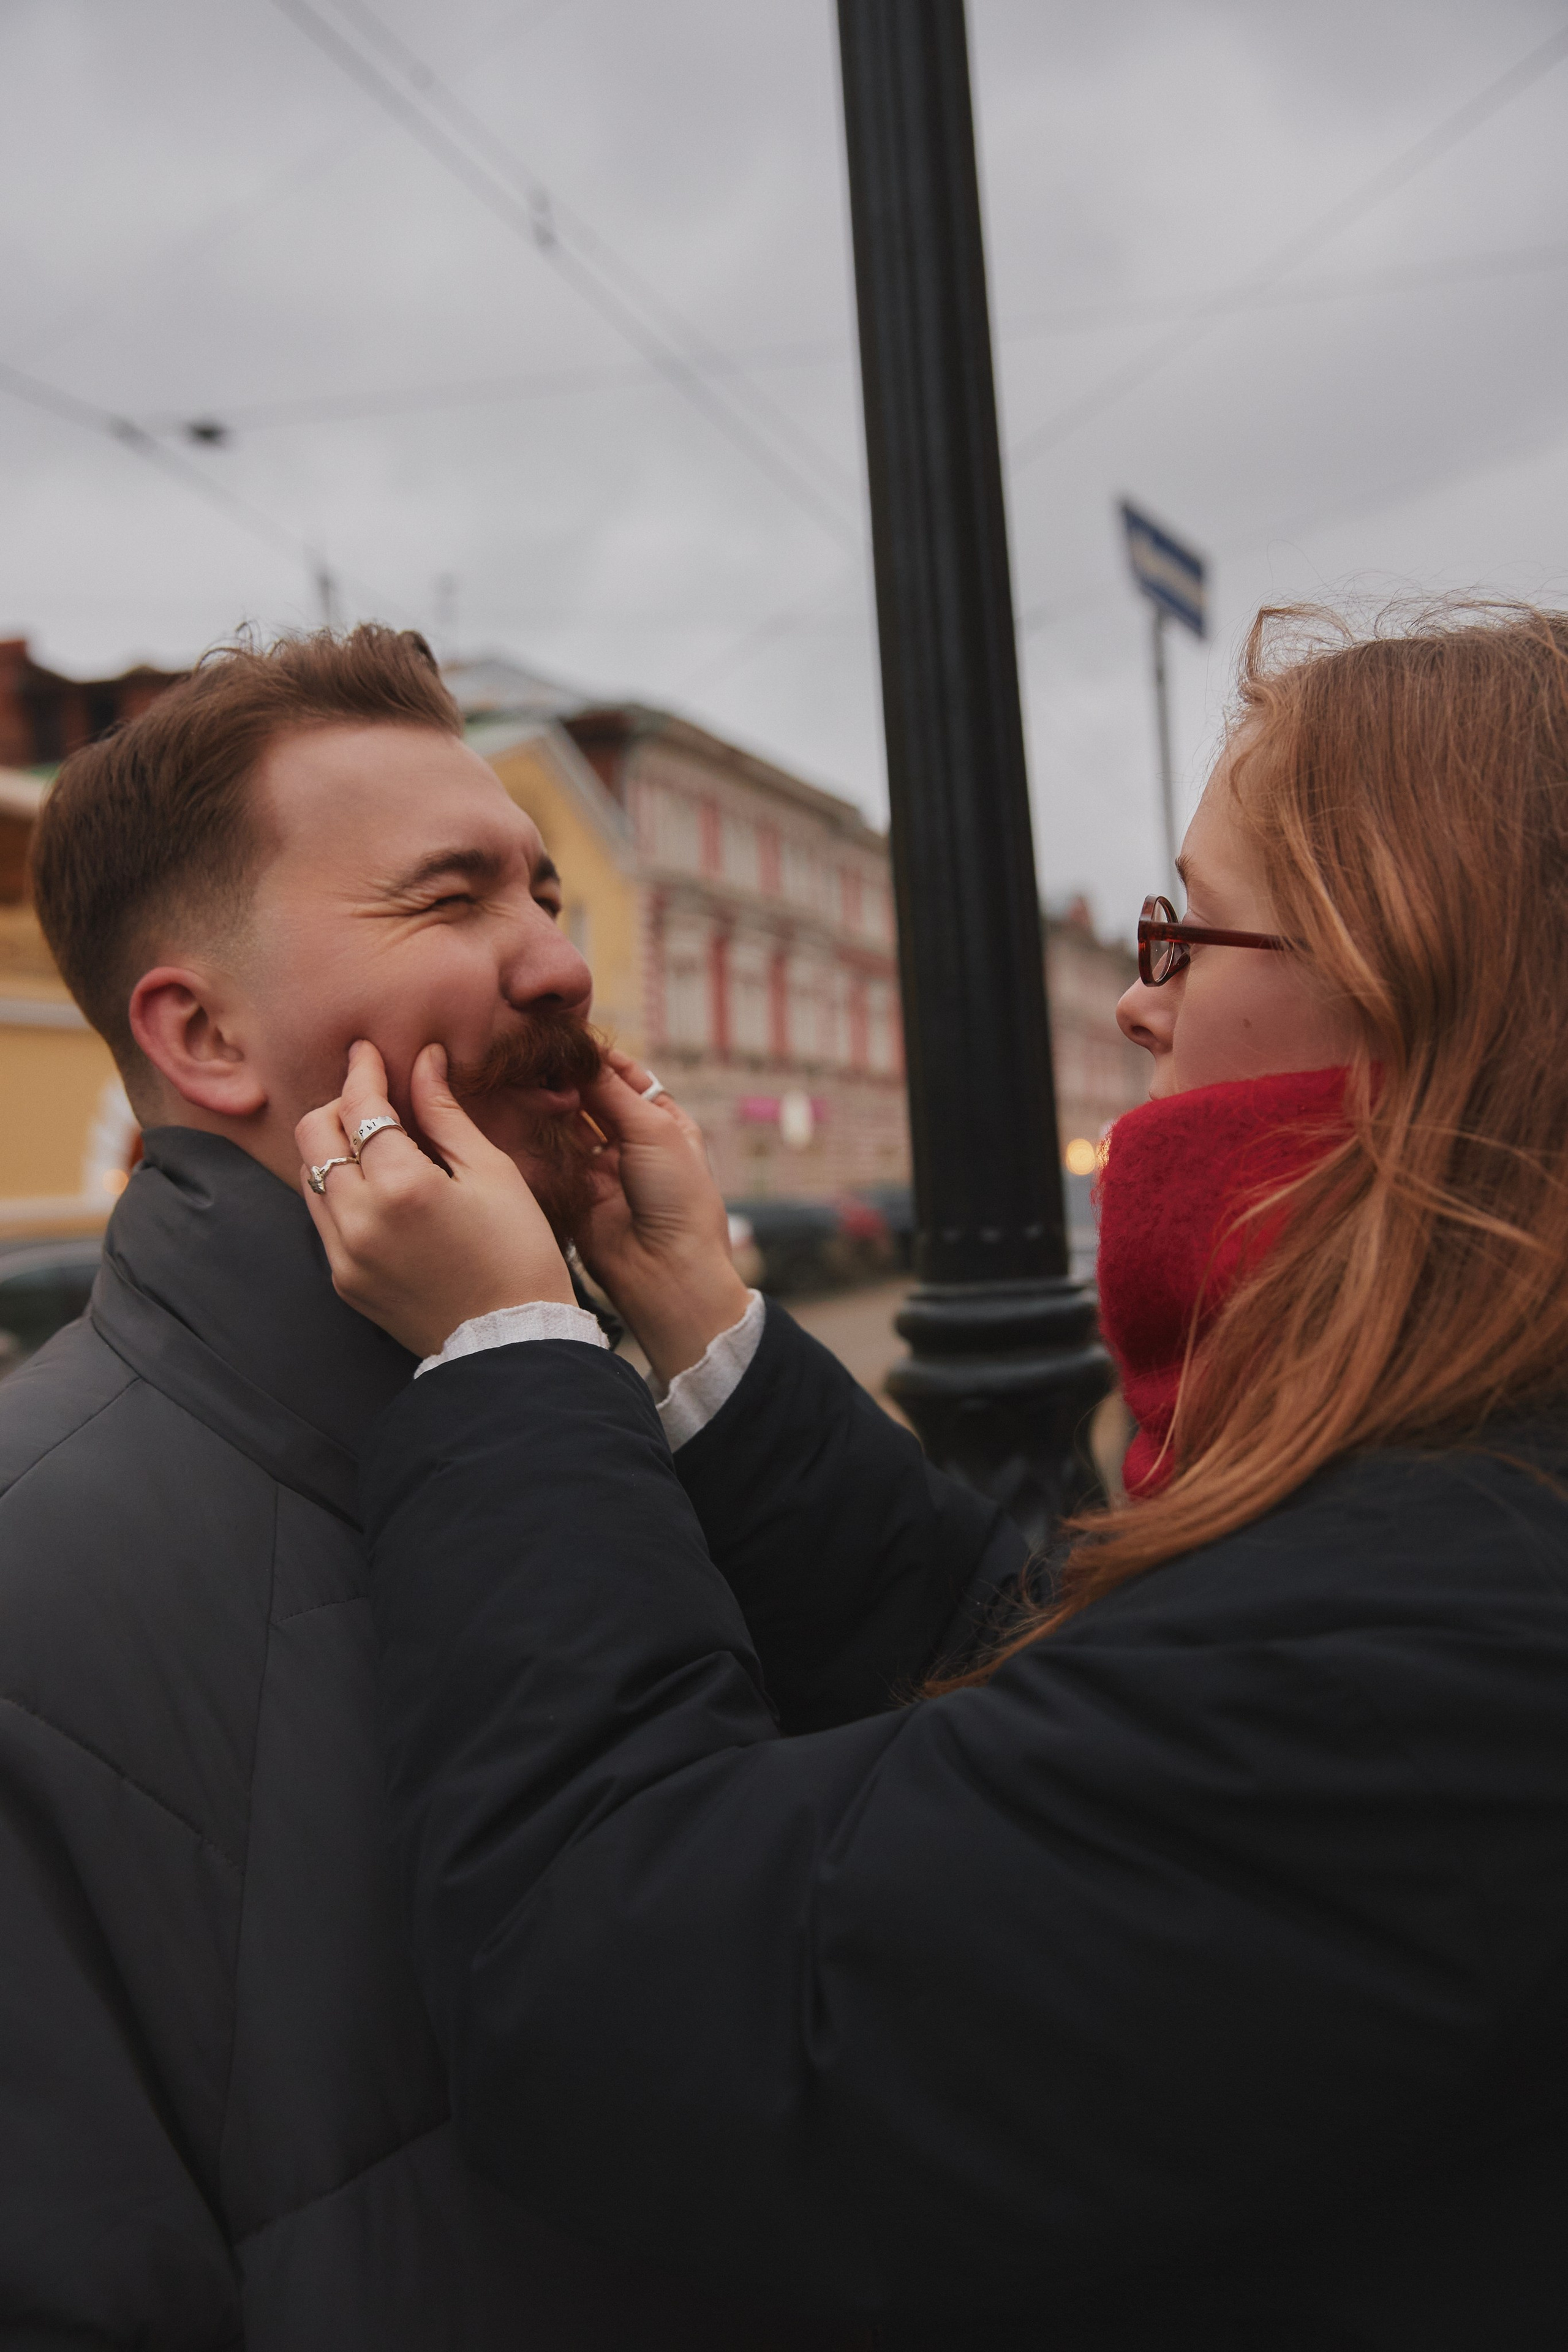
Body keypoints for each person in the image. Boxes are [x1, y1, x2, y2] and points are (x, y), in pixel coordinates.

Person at [301, 605, 1568, 2351]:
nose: (1135, 1003)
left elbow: (663, 2011)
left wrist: (512, 1362)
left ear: (1416, 981)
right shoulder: (1473, 1488)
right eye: (455, 899)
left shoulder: (1449, 1605)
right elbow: (1073, 1694)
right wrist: (701, 1331)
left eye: (1180, 932)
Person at [1, 627, 835, 2350]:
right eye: (455, 902)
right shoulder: (35, 1571)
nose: (556, 968)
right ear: (208, 1032)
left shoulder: (630, 1437)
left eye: (548, 897)